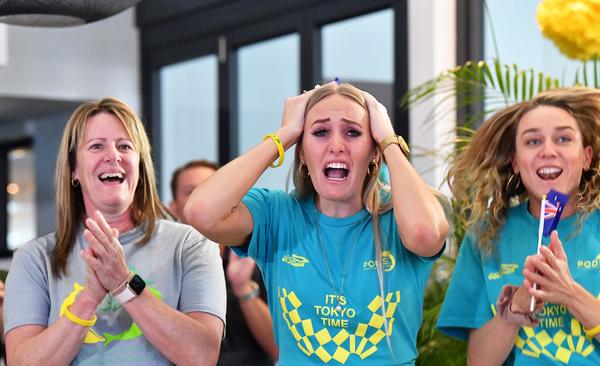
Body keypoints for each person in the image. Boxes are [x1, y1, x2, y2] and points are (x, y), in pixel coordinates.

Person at [184, 82, 449, 365]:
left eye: (353, 132)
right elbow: (201, 211)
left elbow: (426, 233)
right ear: (302, 153)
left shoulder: (401, 216)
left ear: (373, 154)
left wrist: (388, 141)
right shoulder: (276, 214)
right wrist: (282, 136)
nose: (337, 146)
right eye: (320, 132)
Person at [3, 97, 226, 365]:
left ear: (141, 167)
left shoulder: (191, 245)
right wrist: (89, 298)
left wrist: (124, 283)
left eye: (125, 146)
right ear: (74, 169)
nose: (113, 156)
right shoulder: (34, 259)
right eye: (96, 146)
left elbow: (202, 356)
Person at [437, 87, 600, 365]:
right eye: (533, 142)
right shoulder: (487, 233)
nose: (548, 151)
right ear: (516, 161)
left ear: (586, 157)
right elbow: (478, 362)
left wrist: (571, 294)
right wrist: (516, 307)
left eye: (563, 138)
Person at [169, 159, 278, 365]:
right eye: (192, 192)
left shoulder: (257, 258)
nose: (203, 201)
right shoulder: (165, 268)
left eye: (210, 190)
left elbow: (280, 350)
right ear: (173, 208)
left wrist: (244, 289)